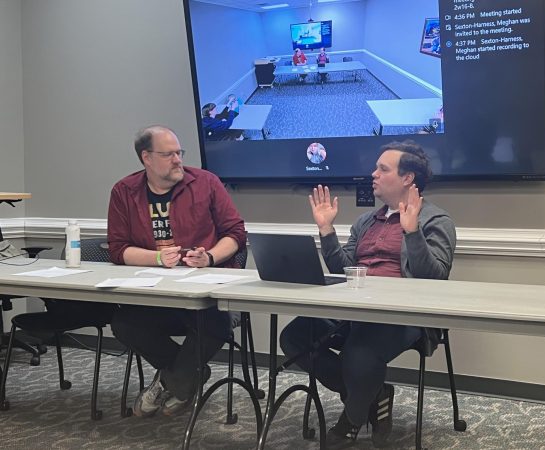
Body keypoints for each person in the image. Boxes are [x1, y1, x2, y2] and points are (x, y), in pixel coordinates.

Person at [279, 140, 456, 448]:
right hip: (353, 309)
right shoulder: (366, 221)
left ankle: (351, 420)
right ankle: (373, 393)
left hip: (402, 316)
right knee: (294, 337)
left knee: (358, 353)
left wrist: (412, 232)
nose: (373, 174)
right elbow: (344, 267)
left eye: (382, 169)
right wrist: (326, 230)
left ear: (407, 178)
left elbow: (435, 278)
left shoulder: (436, 220)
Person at [108, 125, 246, 417]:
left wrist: (209, 257)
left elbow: (236, 233)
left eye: (179, 153)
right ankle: (189, 374)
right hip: (157, 293)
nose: (177, 160)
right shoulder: (124, 191)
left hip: (206, 296)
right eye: (168, 154)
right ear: (146, 158)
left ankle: (173, 381)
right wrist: (156, 258)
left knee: (216, 326)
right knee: (123, 323)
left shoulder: (206, 183)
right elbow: (118, 249)